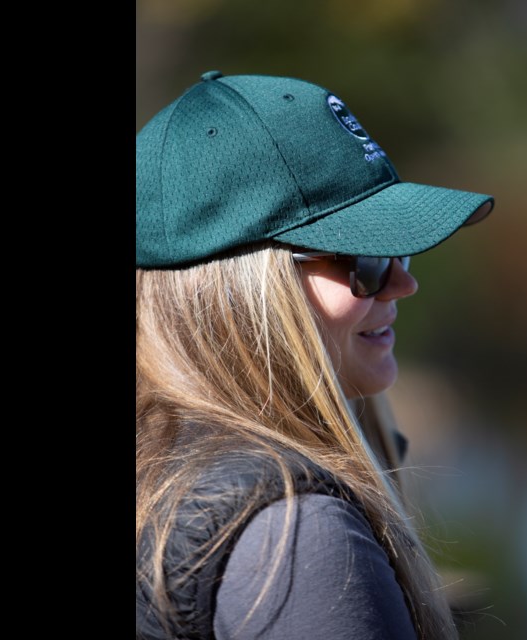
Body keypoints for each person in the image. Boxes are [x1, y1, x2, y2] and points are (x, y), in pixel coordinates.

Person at [136, 71, 494, 640]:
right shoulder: (299, 536)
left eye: (399, 249)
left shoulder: (164, 469)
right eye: (365, 258)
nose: (403, 284)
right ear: (246, 289)